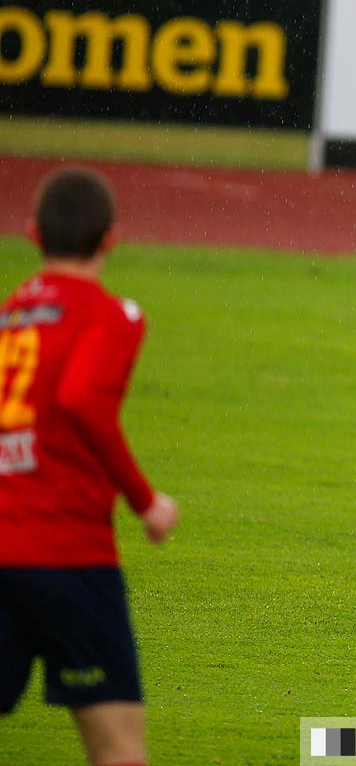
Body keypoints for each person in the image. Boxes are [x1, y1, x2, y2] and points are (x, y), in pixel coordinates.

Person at [1, 167, 180, 766]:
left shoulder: (7, 321)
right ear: (111, 238)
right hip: (67, 559)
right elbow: (81, 399)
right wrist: (146, 501)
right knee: (119, 750)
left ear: (32, 233)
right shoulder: (111, 316)